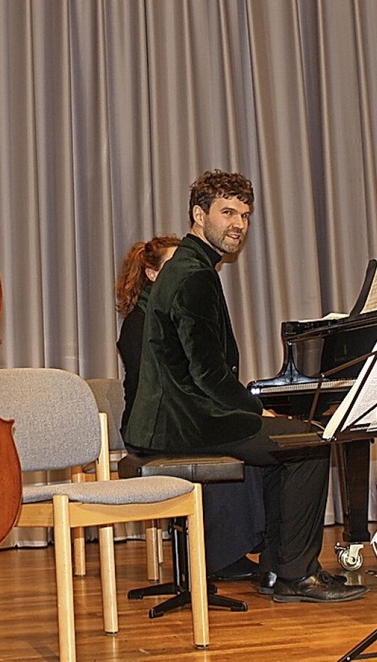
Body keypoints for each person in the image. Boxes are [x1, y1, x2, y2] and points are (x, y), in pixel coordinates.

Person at [124, 169, 368, 603]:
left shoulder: (188, 268)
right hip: (183, 424)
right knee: (309, 442)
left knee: (290, 442)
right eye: (228, 212)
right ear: (199, 215)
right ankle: (294, 573)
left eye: (246, 215)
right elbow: (208, 373)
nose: (239, 224)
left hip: (179, 418)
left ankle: (279, 570)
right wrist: (255, 411)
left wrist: (253, 411)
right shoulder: (193, 274)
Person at [116, 235, 265, 579]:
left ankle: (235, 546)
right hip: (154, 424)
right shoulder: (140, 324)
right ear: (153, 275)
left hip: (175, 414)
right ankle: (222, 556)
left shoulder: (168, 312)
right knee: (232, 439)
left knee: (241, 434)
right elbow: (155, 388)